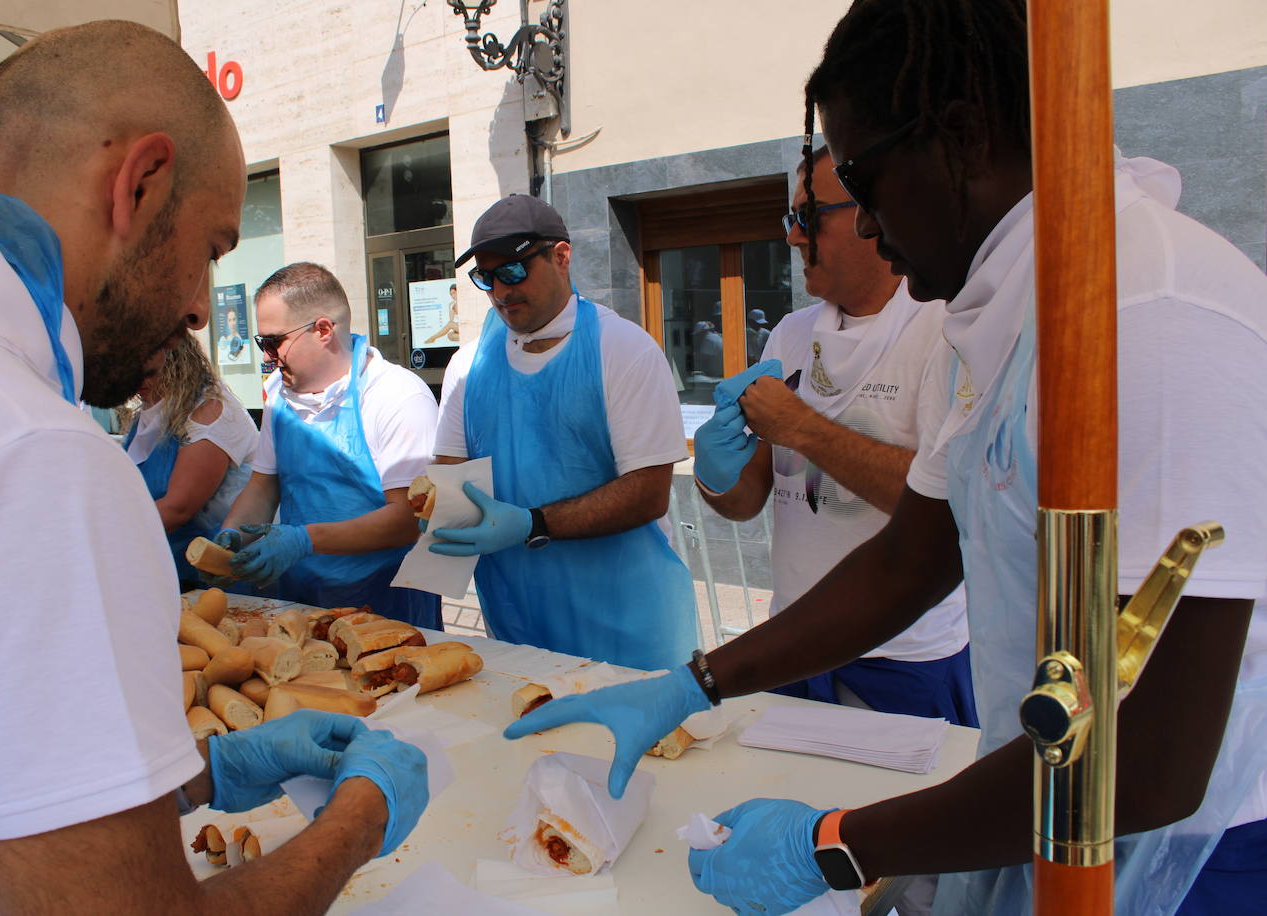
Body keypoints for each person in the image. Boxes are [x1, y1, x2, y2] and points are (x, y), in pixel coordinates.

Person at [505, 2, 1267, 914]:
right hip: (1050, 800)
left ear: (962, 138)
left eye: (863, 181)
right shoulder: (1011, 318)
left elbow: (1146, 757)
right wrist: (693, 684)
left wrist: (836, 846)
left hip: (1188, 852)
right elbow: (914, 554)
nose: (864, 227)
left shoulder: (1149, 316)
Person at [0, 22, 426, 913]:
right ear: (138, 184)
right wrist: (358, 824)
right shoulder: (36, 460)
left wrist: (196, 777)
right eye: (213, 251)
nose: (193, 309)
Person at [696, 148, 975, 728]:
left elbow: (949, 502)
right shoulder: (793, 334)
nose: (793, 239)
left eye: (809, 216)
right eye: (789, 220)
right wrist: (713, 470)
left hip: (901, 654)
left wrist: (801, 426)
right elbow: (745, 503)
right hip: (793, 643)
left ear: (871, 215)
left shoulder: (944, 325)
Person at [431, 194, 699, 671]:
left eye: (512, 270)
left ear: (561, 256)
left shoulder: (624, 350)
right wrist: (432, 514)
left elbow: (648, 493)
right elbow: (450, 476)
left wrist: (532, 524)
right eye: (484, 278)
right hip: (517, 625)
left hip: (627, 630)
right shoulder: (466, 366)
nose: (499, 291)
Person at [211, 262, 443, 629]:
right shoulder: (277, 396)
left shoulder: (396, 396)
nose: (267, 356)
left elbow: (409, 518)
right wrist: (231, 537)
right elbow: (263, 486)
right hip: (301, 601)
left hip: (388, 605)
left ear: (322, 330)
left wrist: (304, 541)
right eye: (261, 343)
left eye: (273, 342)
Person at [121, 333, 258, 589]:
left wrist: (109, 534)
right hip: (170, 566)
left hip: (217, 571)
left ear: (175, 364)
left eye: (149, 373)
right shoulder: (153, 411)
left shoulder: (211, 412)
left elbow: (178, 508)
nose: (138, 382)